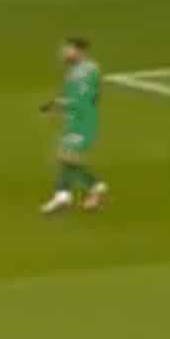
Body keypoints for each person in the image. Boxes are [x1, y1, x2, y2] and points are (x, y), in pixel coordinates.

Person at [42, 35, 108, 213]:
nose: (63, 53)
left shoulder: (86, 71)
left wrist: (59, 104)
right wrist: (57, 106)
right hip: (74, 119)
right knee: (64, 156)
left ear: (79, 51)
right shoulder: (75, 70)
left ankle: (94, 188)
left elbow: (83, 98)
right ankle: (65, 195)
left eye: (68, 49)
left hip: (83, 121)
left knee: (67, 156)